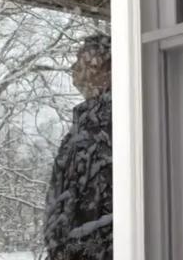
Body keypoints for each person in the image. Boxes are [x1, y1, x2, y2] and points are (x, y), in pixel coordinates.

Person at [44, 34, 112, 260]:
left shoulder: (113, 122)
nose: (73, 67)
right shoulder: (85, 122)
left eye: (81, 59)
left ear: (104, 69)